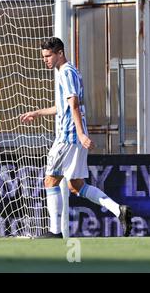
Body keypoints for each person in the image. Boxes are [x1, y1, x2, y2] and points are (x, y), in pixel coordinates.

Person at [20, 37, 133, 238]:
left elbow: (74, 105)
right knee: (75, 186)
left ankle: (55, 232)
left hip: (68, 136)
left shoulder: (66, 72)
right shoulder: (69, 71)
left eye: (48, 56)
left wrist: (80, 134)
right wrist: (37, 113)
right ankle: (118, 210)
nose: (45, 60)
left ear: (60, 53)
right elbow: (63, 107)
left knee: (50, 181)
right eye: (43, 56)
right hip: (75, 137)